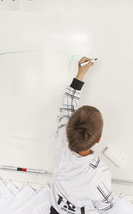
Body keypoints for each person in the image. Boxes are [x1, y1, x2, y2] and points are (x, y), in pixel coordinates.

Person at [50, 57, 115, 214]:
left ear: (67, 129)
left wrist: (80, 73)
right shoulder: (99, 173)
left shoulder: (62, 144)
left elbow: (67, 106)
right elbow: (107, 207)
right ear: (98, 139)